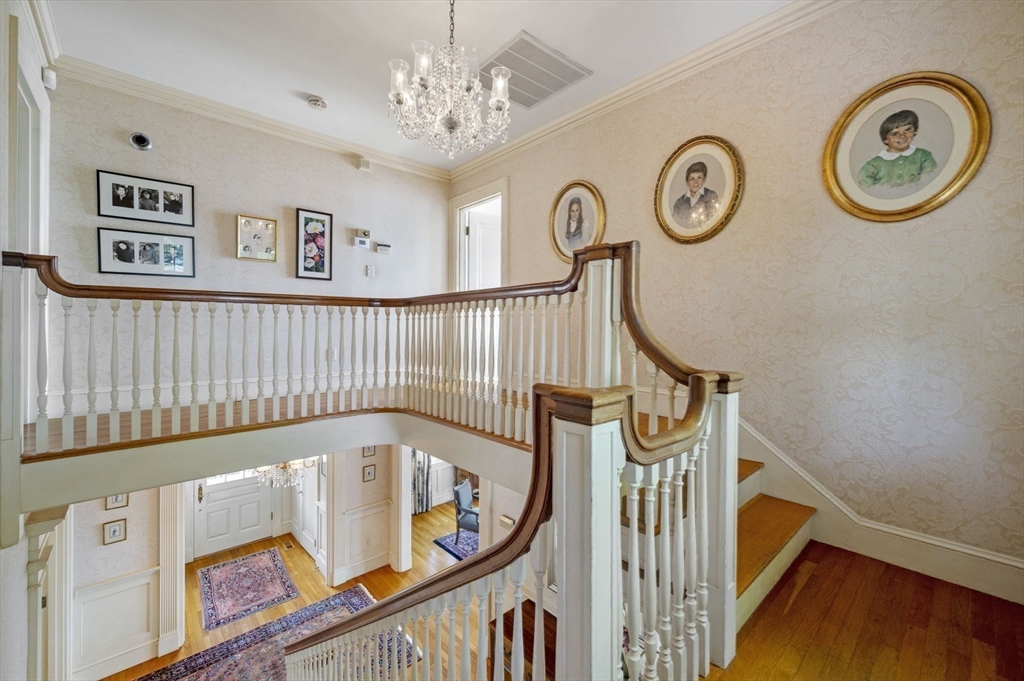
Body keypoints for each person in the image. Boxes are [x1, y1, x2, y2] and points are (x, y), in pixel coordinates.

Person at [857, 110, 938, 189]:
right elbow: (866, 188)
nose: (902, 136)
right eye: (894, 134)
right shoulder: (873, 165)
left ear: (914, 131)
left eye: (907, 130)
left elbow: (929, 180)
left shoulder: (923, 156)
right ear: (885, 139)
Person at [672, 162, 719, 228]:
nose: (695, 182)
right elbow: (676, 225)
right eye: (692, 179)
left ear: (704, 179)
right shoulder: (679, 203)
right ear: (687, 182)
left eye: (699, 177)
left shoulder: (711, 196)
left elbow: (712, 221)